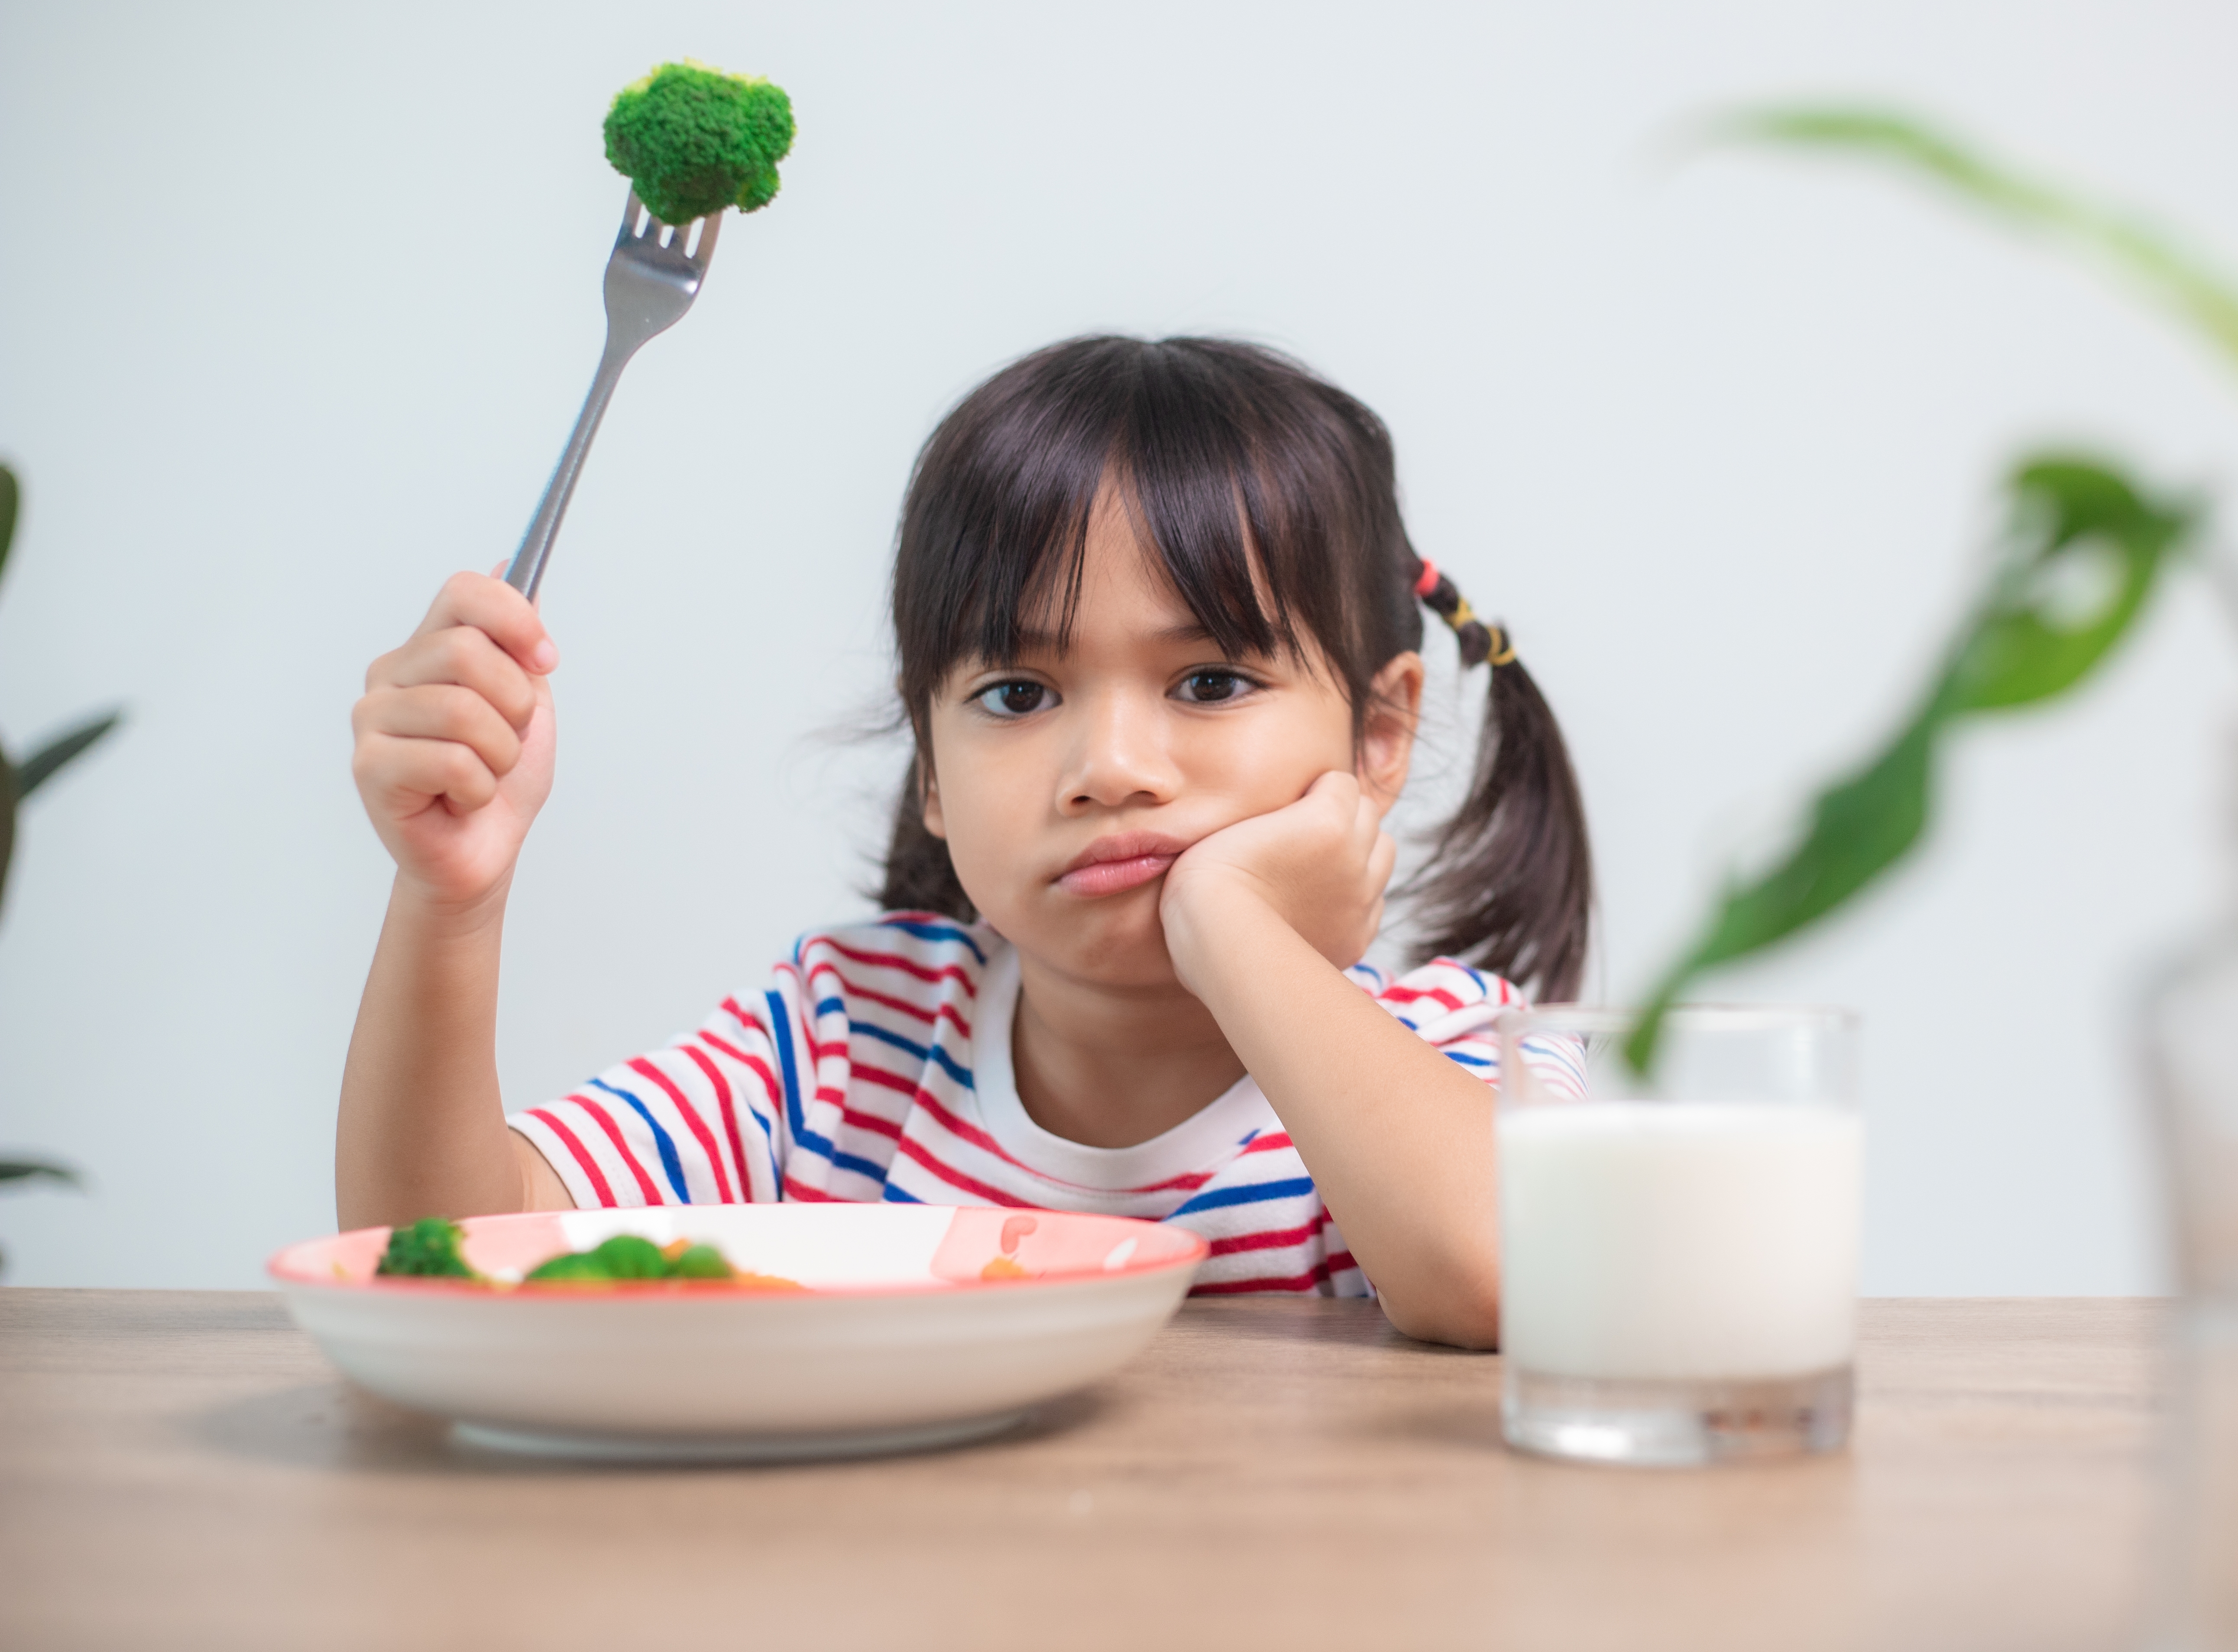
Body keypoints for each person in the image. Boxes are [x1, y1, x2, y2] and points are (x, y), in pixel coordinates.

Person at [336, 336, 1592, 1348]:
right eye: (1016, 696)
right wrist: (452, 902)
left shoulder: (1452, 1057)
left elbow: (1510, 1276)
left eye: (1209, 683)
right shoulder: (842, 1047)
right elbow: (448, 1259)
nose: (1110, 769)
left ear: (1381, 737)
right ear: (930, 768)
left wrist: (1234, 932)